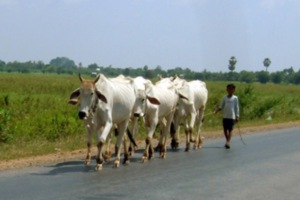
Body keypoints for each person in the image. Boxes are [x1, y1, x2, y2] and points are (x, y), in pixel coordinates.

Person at [214, 83, 240, 149]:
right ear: (227, 90)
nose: (230, 90)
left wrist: (237, 115)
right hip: (225, 116)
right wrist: (217, 110)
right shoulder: (224, 98)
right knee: (225, 129)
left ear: (234, 90)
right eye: (229, 89)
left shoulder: (235, 98)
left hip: (232, 116)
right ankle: (227, 140)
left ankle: (228, 142)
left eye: (232, 89)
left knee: (230, 129)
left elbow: (237, 107)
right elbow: (221, 106)